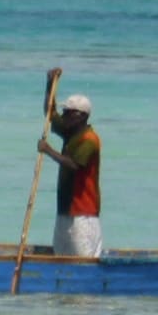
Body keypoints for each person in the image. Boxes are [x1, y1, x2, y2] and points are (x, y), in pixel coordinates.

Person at [36, 68, 103, 257]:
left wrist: (48, 150)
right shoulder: (70, 132)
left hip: (83, 214)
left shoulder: (90, 139)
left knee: (83, 259)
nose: (63, 116)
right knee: (61, 256)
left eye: (68, 113)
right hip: (65, 210)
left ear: (80, 116)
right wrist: (50, 85)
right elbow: (50, 113)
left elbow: (74, 165)